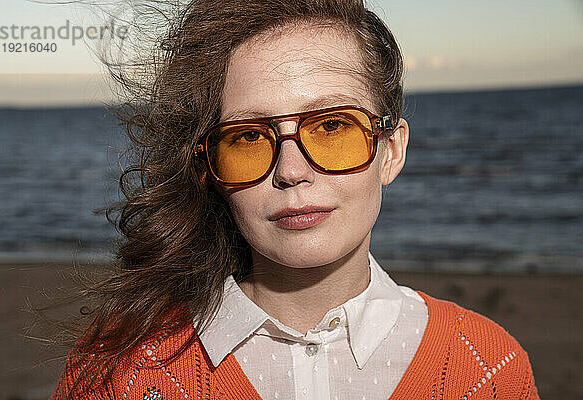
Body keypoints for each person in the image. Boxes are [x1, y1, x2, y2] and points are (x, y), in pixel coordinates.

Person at [50, 0, 540, 398]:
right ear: (210, 169)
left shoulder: (487, 369)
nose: (290, 171)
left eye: (332, 126)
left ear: (391, 151)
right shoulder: (118, 372)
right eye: (247, 138)